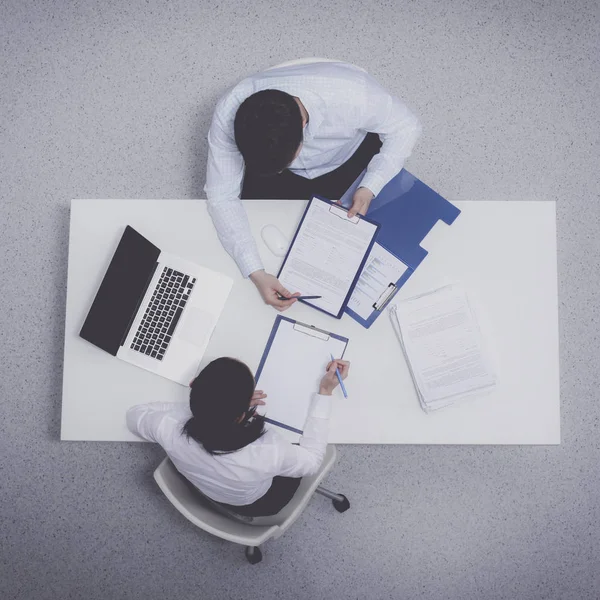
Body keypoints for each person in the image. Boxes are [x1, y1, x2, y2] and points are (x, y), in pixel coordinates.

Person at [205, 61, 422, 312]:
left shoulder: (354, 95)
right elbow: (221, 196)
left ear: (303, 129)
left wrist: (370, 185)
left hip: (345, 158)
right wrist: (255, 271)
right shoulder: (229, 112)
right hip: (274, 166)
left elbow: (406, 127)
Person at [126, 356, 350, 517]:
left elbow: (134, 416)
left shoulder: (167, 426)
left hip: (204, 486)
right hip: (256, 503)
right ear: (242, 414)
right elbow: (311, 462)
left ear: (193, 385)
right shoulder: (268, 451)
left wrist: (217, 404)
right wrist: (325, 393)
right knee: (293, 469)